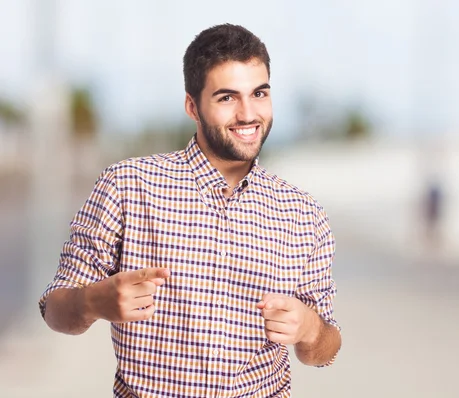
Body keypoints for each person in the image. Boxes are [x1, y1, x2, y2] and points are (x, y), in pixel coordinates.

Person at [39, 23, 342, 398]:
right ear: (192, 106)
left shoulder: (304, 214)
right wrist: (92, 302)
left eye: (259, 93)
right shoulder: (127, 186)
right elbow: (54, 309)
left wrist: (310, 329)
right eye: (227, 98)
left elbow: (326, 347)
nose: (248, 114)